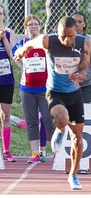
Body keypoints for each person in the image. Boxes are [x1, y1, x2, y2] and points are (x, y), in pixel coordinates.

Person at [14, 16, 91, 190]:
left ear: (76, 32)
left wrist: (79, 74)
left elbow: (85, 64)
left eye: (71, 36)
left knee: (78, 137)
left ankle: (73, 175)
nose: (67, 40)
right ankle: (60, 128)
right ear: (57, 32)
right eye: (63, 36)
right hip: (55, 91)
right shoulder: (47, 40)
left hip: (74, 93)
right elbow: (29, 44)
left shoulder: (84, 42)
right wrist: (21, 52)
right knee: (62, 118)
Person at [12, 14, 55, 163]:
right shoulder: (21, 43)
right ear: (26, 27)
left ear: (40, 26)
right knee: (31, 121)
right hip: (27, 89)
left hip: (44, 88)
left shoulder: (45, 42)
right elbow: (14, 56)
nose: (33, 27)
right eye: (30, 24)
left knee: (49, 120)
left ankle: (57, 152)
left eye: (36, 24)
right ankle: (35, 153)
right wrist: (23, 67)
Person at [71, 11, 91, 104]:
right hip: (69, 85)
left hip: (86, 86)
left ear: (84, 24)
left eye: (80, 22)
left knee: (86, 116)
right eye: (74, 22)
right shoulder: (66, 41)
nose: (77, 24)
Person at [0, 4, 17, 162]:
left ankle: (6, 150)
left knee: (5, 115)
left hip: (6, 79)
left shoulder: (9, 32)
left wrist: (4, 38)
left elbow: (12, 55)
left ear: (4, 15)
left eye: (0, 13)